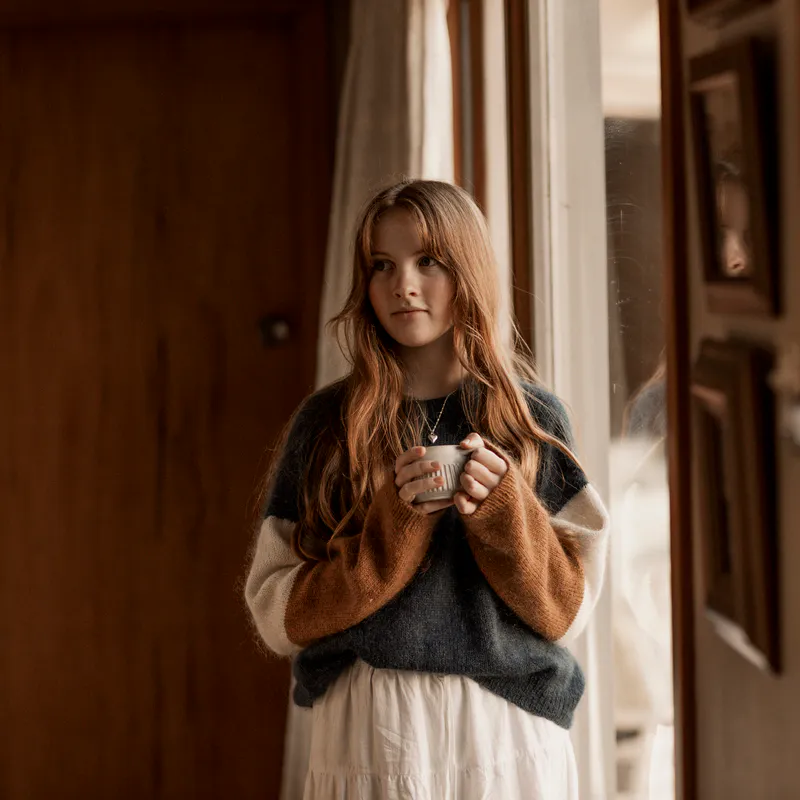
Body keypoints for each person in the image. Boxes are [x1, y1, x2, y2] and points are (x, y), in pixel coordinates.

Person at [244, 179, 610, 799]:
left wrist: (503, 514)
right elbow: (275, 613)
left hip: (505, 729)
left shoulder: (531, 421)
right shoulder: (327, 425)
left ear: (467, 270)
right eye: (381, 266)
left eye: (428, 261)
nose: (402, 285)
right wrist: (393, 527)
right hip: (369, 725)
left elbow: (567, 613)